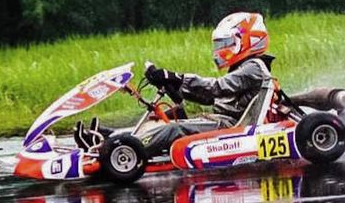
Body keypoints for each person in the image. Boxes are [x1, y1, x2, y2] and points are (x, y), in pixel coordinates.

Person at [76, 12, 276, 157]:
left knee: (174, 129)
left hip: (231, 126)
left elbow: (217, 87)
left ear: (248, 41)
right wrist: (173, 85)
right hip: (220, 120)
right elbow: (209, 97)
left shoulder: (254, 67)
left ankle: (119, 150)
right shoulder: (244, 68)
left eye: (226, 44)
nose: (221, 50)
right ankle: (113, 137)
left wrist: (177, 77)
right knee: (163, 122)